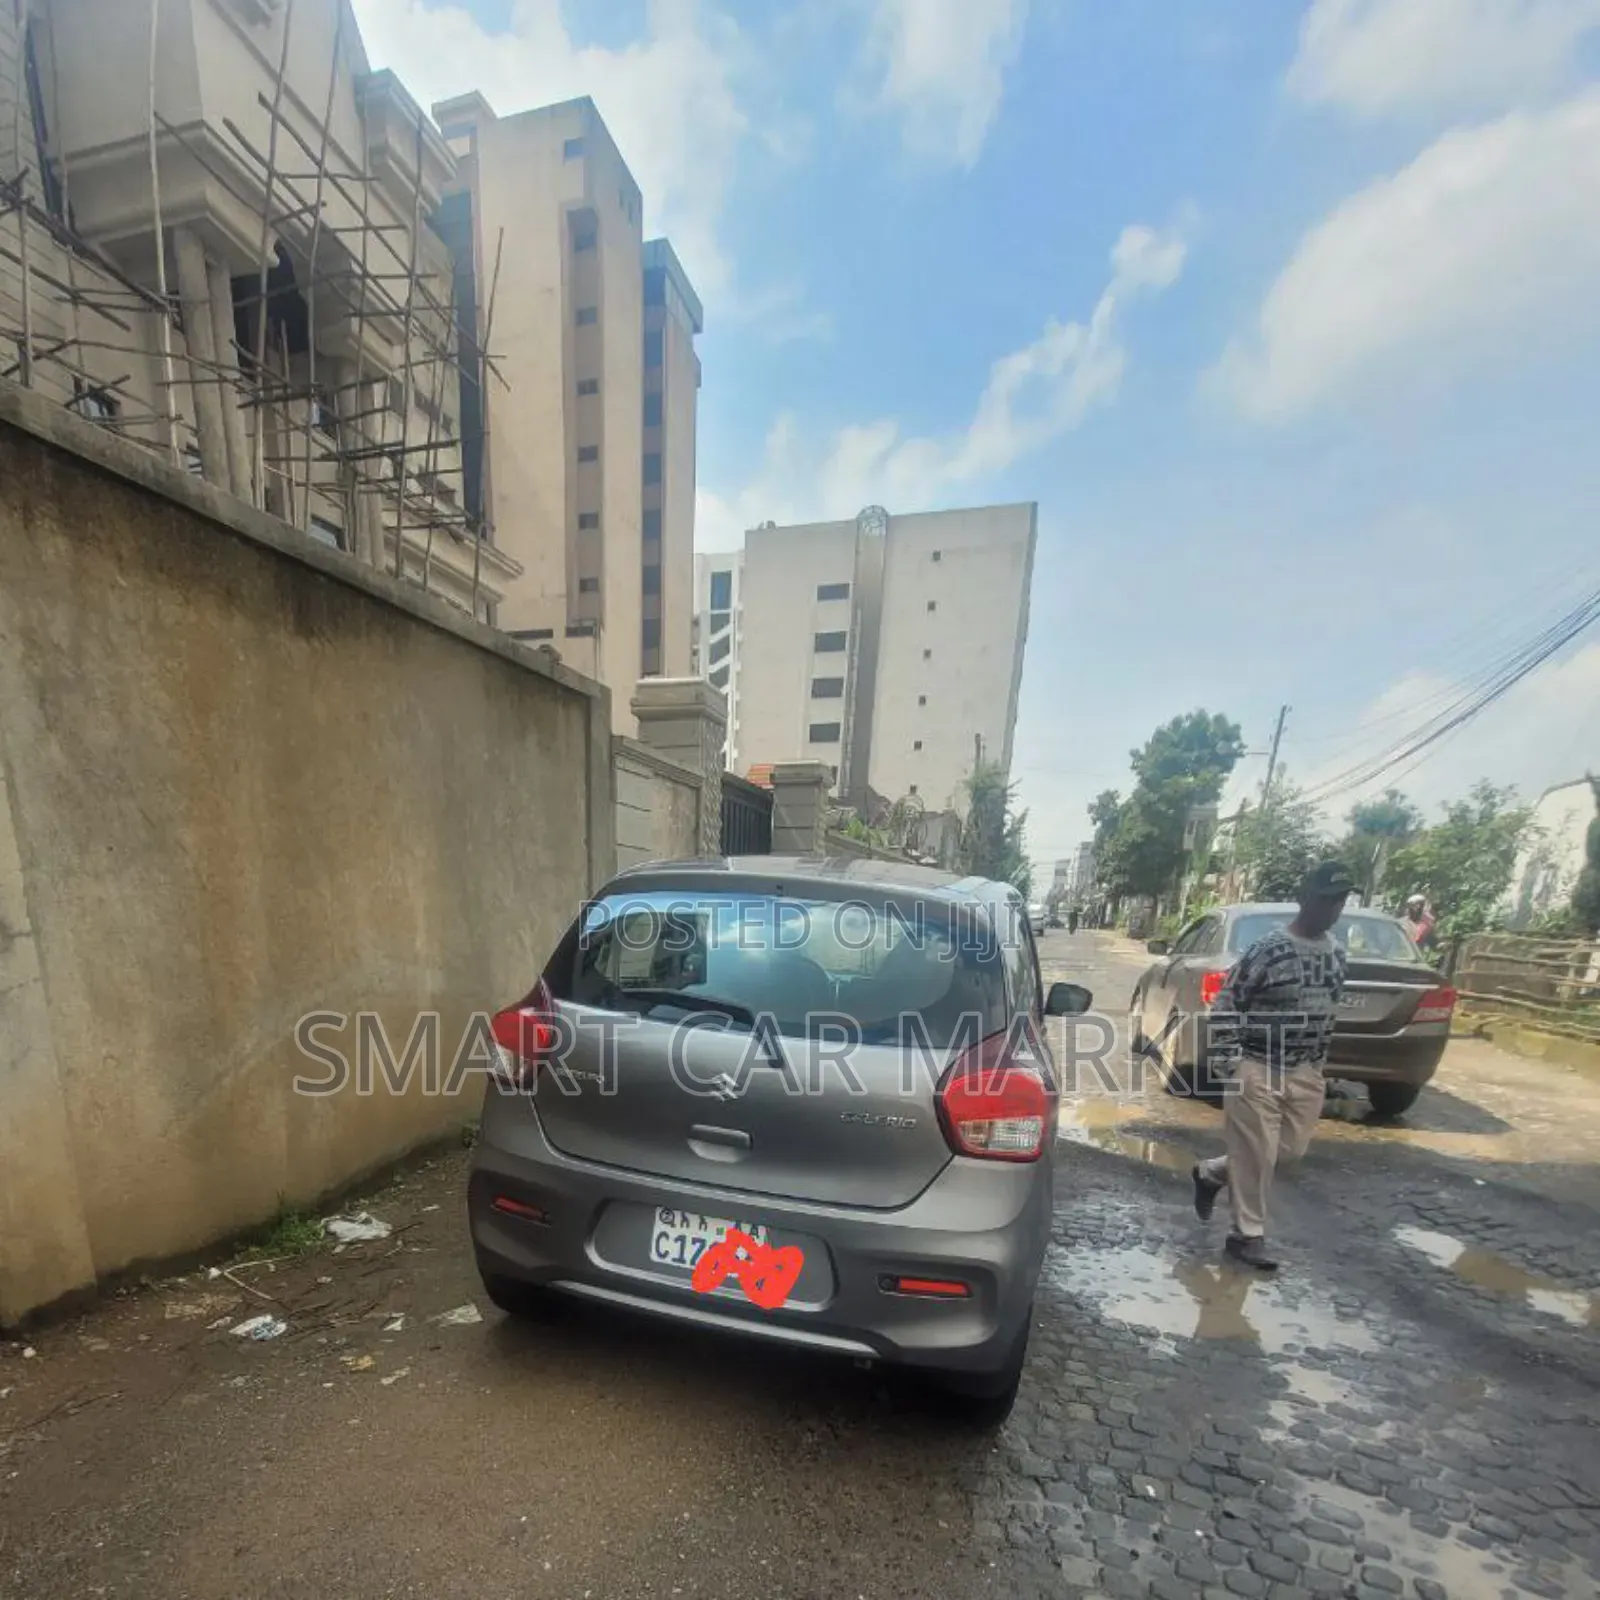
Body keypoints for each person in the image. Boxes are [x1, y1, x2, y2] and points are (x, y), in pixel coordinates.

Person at [1190, 860, 1356, 1271]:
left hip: (1304, 1071)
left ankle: (1211, 1173)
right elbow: (1227, 1004)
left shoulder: (1336, 953)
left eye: (1339, 901)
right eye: (1325, 899)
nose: (1332, 909)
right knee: (1256, 1152)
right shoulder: (1268, 950)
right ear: (1305, 898)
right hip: (1257, 1065)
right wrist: (1232, 1064)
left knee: (1285, 1151)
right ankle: (1247, 1236)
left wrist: (1319, 1067)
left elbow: (1328, 1013)